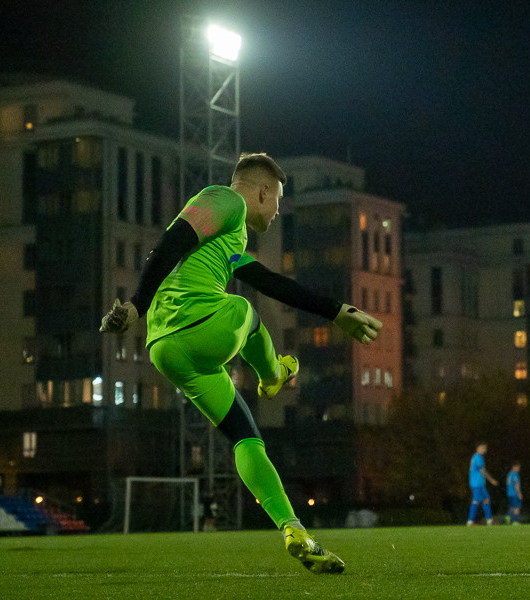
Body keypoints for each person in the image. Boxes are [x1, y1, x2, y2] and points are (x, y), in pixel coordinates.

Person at [100, 152, 382, 574]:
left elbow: (270, 281)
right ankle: (273, 373)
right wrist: (137, 305)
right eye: (279, 199)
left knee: (246, 436)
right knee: (243, 311)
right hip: (196, 323)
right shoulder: (225, 200)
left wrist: (336, 310)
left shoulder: (229, 241)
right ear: (263, 191)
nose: (278, 209)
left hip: (166, 350)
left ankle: (294, 530)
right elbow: (171, 241)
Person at [466, 442, 498, 525]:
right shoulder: (478, 457)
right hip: (477, 483)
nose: (484, 450)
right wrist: (491, 480)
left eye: (485, 448)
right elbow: (482, 471)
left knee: (486, 499)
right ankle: (470, 521)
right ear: (478, 448)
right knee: (475, 501)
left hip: (479, 483)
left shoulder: (475, 457)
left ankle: (489, 520)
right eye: (483, 448)